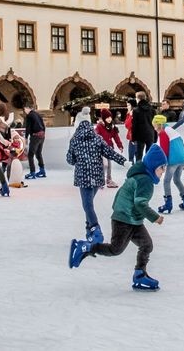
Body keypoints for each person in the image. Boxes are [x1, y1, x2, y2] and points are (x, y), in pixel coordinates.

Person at [68, 144, 168, 291]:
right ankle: (85, 247)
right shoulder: (145, 181)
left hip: (133, 218)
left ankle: (140, 275)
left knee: (146, 244)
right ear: (153, 167)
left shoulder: (142, 176)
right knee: (116, 249)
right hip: (123, 218)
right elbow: (140, 203)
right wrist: (155, 217)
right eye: (162, 167)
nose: (163, 171)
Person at [66, 107, 128, 245]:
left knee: (87, 205)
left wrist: (76, 158)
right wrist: (124, 161)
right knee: (89, 204)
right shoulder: (97, 138)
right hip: (97, 176)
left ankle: (95, 230)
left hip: (83, 177)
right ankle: (89, 231)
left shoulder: (74, 140)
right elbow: (109, 153)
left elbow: (70, 160)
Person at [156, 114, 184, 214]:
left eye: (154, 125)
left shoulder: (163, 132)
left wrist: (163, 163)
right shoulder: (171, 130)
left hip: (173, 160)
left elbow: (164, 149)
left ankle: (168, 204)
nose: (154, 127)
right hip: (181, 158)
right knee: (177, 180)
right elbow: (182, 144)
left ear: (159, 124)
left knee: (166, 181)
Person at [95, 109, 124, 188]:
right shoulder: (99, 126)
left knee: (109, 165)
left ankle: (109, 180)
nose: (109, 119)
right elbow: (96, 136)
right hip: (101, 149)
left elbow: (116, 137)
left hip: (109, 148)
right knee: (103, 165)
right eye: (107, 117)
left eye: (110, 117)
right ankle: (100, 181)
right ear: (104, 118)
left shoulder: (112, 126)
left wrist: (120, 146)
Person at [22, 103, 47, 180]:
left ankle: (32, 172)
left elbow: (28, 127)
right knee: (38, 153)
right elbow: (43, 125)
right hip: (42, 136)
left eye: (24, 109)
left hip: (35, 136)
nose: (24, 111)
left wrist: (26, 138)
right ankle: (42, 171)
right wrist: (42, 133)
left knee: (30, 155)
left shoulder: (29, 115)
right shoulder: (37, 114)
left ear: (27, 108)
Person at [131, 92, 157, 161]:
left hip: (140, 135)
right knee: (149, 155)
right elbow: (155, 123)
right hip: (150, 134)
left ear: (138, 99)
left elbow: (134, 125)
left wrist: (133, 138)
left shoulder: (136, 110)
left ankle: (139, 170)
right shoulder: (152, 109)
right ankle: (148, 170)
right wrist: (155, 137)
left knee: (139, 155)